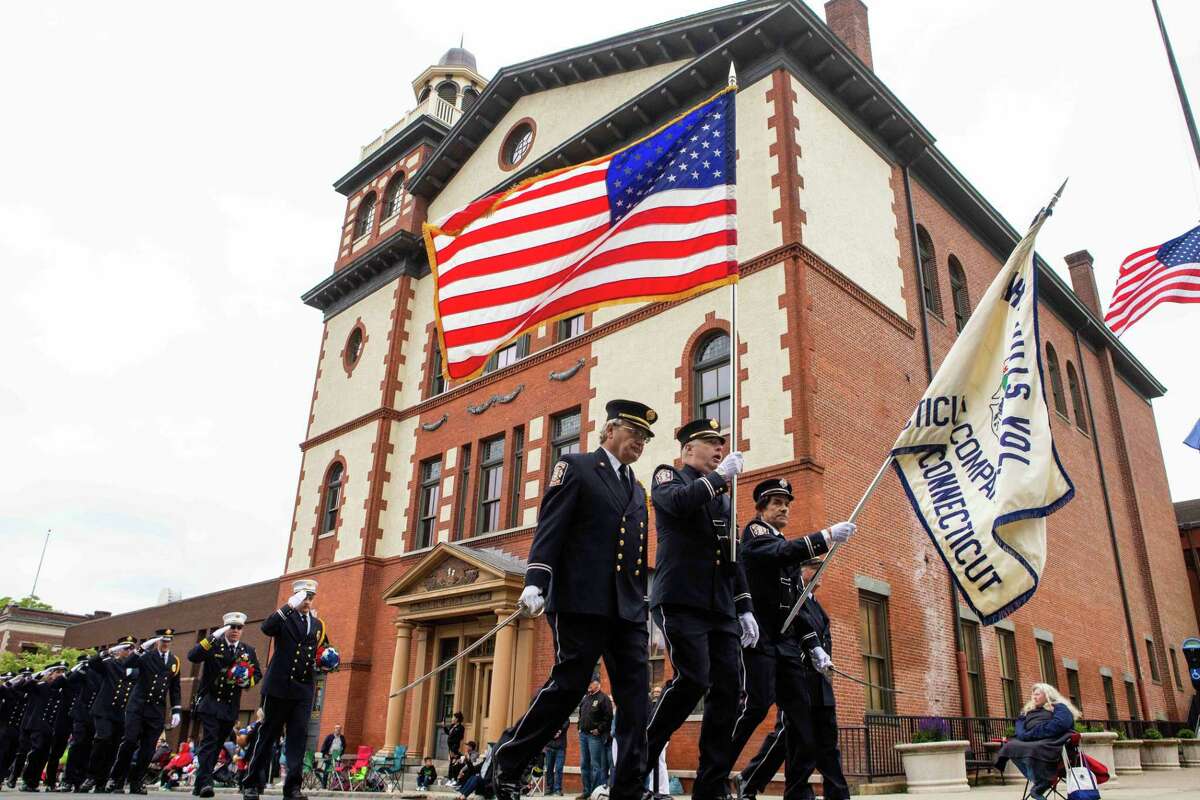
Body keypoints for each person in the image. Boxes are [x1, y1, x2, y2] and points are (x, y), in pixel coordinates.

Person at [489, 400, 658, 800]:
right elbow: (552, 525)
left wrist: (647, 612)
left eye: (646, 438)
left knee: (636, 699)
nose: (640, 442)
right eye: (634, 433)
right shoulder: (577, 467)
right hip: (582, 600)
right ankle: (508, 763)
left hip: (627, 609)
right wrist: (537, 578)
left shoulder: (637, 489)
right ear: (610, 430)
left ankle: (629, 787)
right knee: (569, 685)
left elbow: (636, 556)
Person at [643, 417, 759, 800]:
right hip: (680, 599)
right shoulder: (669, 477)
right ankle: (639, 759)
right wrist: (717, 479)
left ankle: (711, 785)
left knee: (730, 690)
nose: (719, 450)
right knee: (693, 678)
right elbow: (677, 505)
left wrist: (744, 606)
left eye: (721, 445)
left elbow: (733, 556)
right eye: (711, 443)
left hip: (720, 605)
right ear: (688, 449)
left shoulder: (725, 497)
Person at [730, 479, 854, 800]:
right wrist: (825, 536)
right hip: (758, 636)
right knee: (756, 708)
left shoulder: (783, 546)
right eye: (775, 503)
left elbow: (797, 606)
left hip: (784, 643)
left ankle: (798, 795)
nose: (783, 507)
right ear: (761, 508)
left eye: (786, 502)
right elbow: (782, 552)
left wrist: (813, 646)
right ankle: (717, 769)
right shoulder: (756, 535)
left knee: (802, 725)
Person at [242, 578, 335, 800]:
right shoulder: (284, 618)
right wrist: (288, 606)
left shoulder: (318, 624)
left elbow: (324, 650)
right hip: (278, 687)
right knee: (267, 736)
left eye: (310, 598)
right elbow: (267, 628)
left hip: (302, 689)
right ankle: (252, 783)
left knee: (297, 738)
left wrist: (329, 659)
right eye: (304, 597)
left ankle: (292, 787)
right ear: (295, 597)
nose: (307, 602)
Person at [188, 612, 263, 798]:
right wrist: (213, 636)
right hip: (211, 702)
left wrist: (246, 681)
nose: (236, 630)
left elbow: (257, 674)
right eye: (232, 627)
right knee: (209, 741)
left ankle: (200, 782)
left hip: (230, 706)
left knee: (218, 744)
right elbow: (193, 656)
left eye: (239, 627)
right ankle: (206, 783)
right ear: (225, 628)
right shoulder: (214, 645)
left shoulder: (247, 651)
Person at [108, 629, 183, 794]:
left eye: (168, 641)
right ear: (157, 641)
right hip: (138, 707)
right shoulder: (145, 656)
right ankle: (117, 779)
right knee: (129, 742)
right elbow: (127, 664)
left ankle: (137, 781)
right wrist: (140, 649)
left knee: (148, 748)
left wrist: (176, 708)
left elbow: (175, 688)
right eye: (163, 641)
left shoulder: (174, 661)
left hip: (156, 709)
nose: (165, 644)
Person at [997, 684, 1080, 800]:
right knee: (1009, 746)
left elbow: (1059, 724)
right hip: (1030, 741)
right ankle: (1040, 782)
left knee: (1034, 748)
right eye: (1033, 694)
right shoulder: (1027, 711)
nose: (1033, 697)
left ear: (1047, 695)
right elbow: (1019, 727)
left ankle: (1041, 784)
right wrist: (1025, 736)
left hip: (1053, 741)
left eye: (1037, 694)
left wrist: (1032, 734)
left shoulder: (1059, 707)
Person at [82, 635, 139, 793]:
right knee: (103, 739)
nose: (129, 651)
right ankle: (91, 776)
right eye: (126, 648)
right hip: (104, 710)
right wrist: (107, 652)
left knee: (113, 747)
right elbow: (93, 663)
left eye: (131, 648)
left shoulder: (136, 667)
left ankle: (102, 780)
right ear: (119, 650)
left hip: (121, 712)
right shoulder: (109, 663)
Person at [16, 661, 70, 791]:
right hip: (38, 725)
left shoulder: (63, 689)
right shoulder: (40, 685)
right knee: (36, 752)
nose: (60, 675)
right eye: (58, 672)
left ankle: (34, 782)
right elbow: (24, 686)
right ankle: (27, 781)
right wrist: (40, 674)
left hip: (52, 727)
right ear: (50, 674)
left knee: (44, 755)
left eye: (63, 672)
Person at [63, 654, 100, 791]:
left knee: (89, 747)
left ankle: (81, 779)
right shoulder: (84, 672)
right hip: (81, 713)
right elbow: (70, 679)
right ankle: (68, 779)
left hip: (95, 715)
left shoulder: (102, 671)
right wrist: (79, 668)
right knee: (77, 745)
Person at [577, 680, 612, 796]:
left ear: (597, 684)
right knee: (584, 764)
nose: (589, 686)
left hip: (594, 737)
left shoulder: (604, 698)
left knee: (596, 765)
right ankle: (586, 791)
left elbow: (608, 717)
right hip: (583, 735)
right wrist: (579, 727)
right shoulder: (585, 698)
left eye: (591, 683)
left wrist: (599, 729)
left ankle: (595, 792)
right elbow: (581, 714)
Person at [543, 718, 569, 796]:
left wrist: (559, 731)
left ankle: (557, 789)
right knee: (549, 768)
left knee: (559, 768)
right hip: (549, 746)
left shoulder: (565, 715)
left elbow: (566, 722)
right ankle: (549, 788)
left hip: (560, 747)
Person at [318, 723, 345, 788]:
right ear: (334, 729)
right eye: (337, 728)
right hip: (329, 756)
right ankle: (324, 785)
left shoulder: (342, 738)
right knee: (326, 771)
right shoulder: (330, 736)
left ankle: (335, 785)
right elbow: (324, 746)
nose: (338, 730)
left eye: (339, 729)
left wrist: (341, 754)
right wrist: (324, 754)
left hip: (337, 757)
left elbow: (344, 746)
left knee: (337, 771)